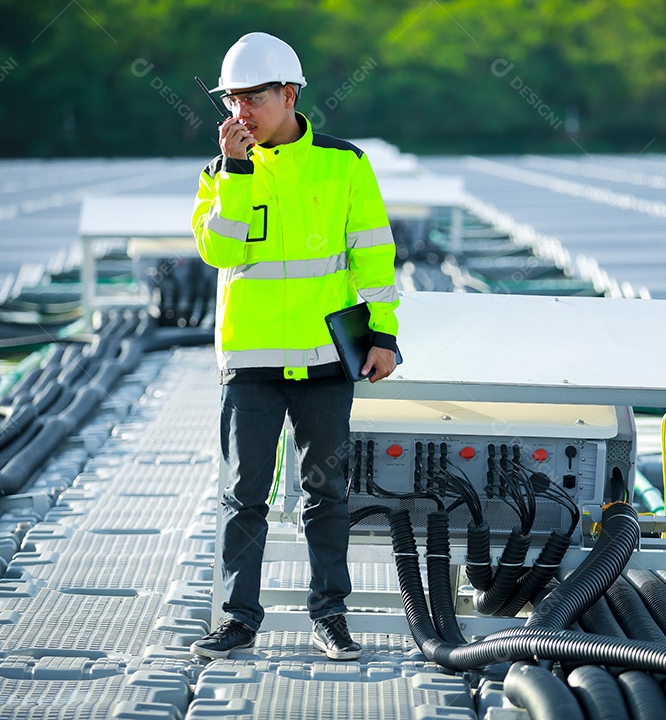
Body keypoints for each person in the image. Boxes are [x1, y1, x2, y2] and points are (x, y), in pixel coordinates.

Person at [190, 32, 400, 661]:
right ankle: (237, 619)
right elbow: (221, 251)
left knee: (326, 494)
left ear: (288, 93)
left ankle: (330, 615)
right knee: (242, 498)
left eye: (252, 97)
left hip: (324, 359)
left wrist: (384, 334)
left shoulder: (345, 163)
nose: (240, 112)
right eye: (231, 100)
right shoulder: (219, 174)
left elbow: (374, 253)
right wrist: (237, 175)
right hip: (249, 362)